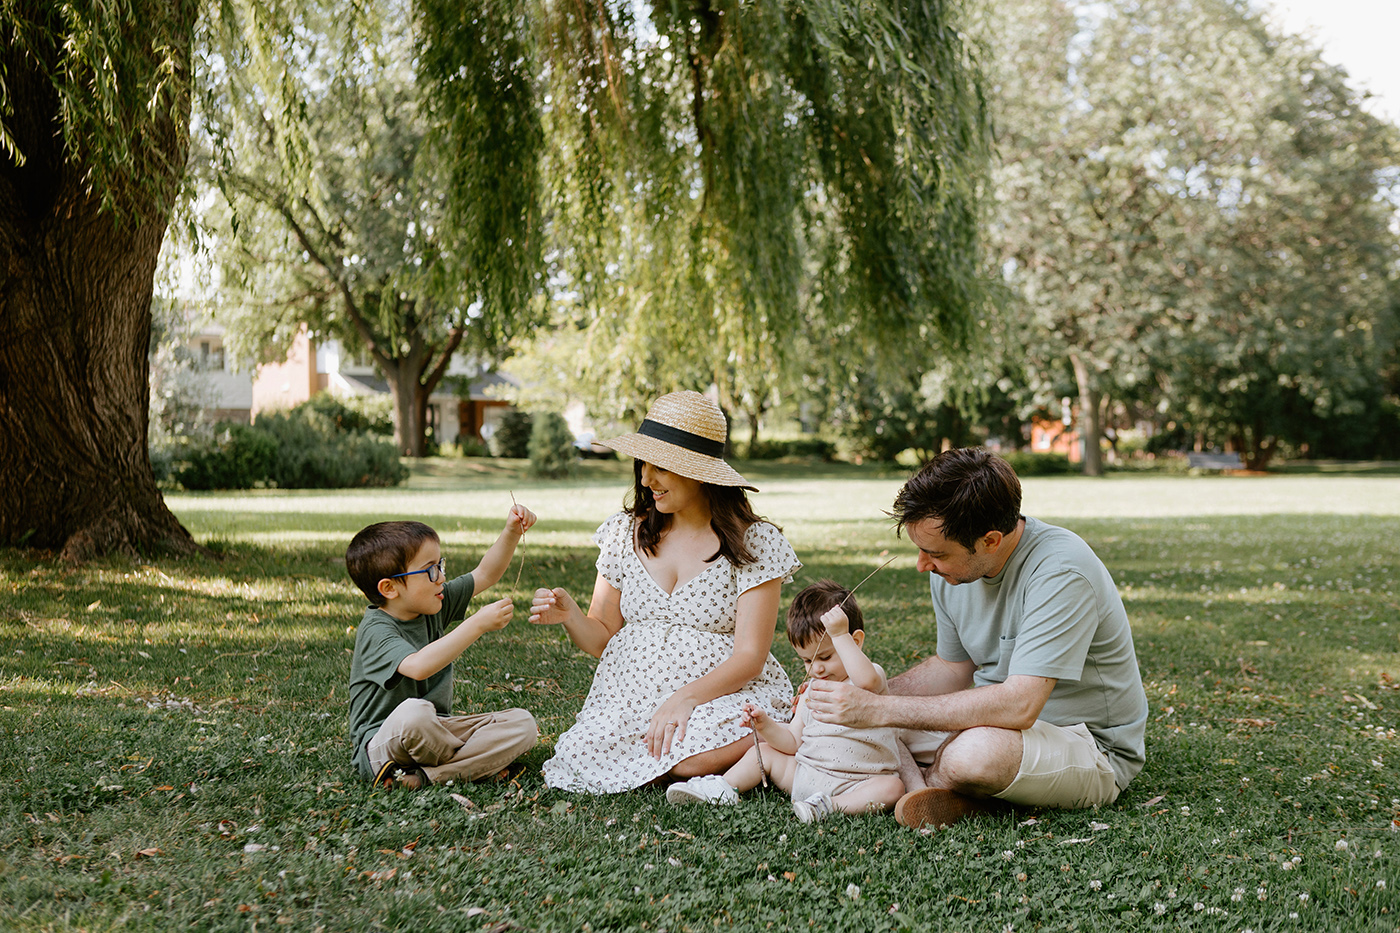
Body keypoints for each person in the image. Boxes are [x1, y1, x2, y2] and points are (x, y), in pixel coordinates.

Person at [804, 447, 1148, 829]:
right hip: (988, 722)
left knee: (971, 753)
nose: (922, 565)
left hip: (1085, 745)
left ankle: (939, 783)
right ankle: (941, 789)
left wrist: (880, 710)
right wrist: (856, 697)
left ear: (990, 541)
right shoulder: (953, 572)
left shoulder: (1062, 572)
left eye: (935, 553)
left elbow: (1020, 706)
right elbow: (951, 668)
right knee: (875, 720)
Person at [529, 390, 800, 794]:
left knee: (692, 758)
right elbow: (603, 634)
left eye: (660, 468)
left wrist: (685, 699)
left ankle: (788, 733)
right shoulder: (625, 533)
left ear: (699, 471)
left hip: (718, 693)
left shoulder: (753, 542)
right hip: (629, 700)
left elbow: (750, 656)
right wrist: (570, 616)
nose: (645, 479)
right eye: (643, 465)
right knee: (577, 754)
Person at [666, 580, 906, 822]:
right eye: (807, 661)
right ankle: (723, 787)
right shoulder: (812, 691)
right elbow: (792, 742)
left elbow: (866, 681)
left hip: (858, 784)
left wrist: (839, 634)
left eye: (825, 656)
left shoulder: (870, 677)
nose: (817, 669)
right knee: (766, 751)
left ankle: (829, 807)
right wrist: (765, 726)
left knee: (892, 788)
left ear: (855, 642)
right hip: (806, 775)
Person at [346, 507, 540, 789]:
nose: (441, 577)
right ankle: (474, 765)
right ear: (389, 588)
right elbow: (418, 666)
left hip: (436, 733)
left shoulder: (432, 602)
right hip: (385, 743)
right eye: (430, 570)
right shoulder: (377, 630)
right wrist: (477, 624)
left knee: (523, 724)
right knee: (415, 713)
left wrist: (511, 532)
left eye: (441, 565)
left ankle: (422, 778)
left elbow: (485, 573)